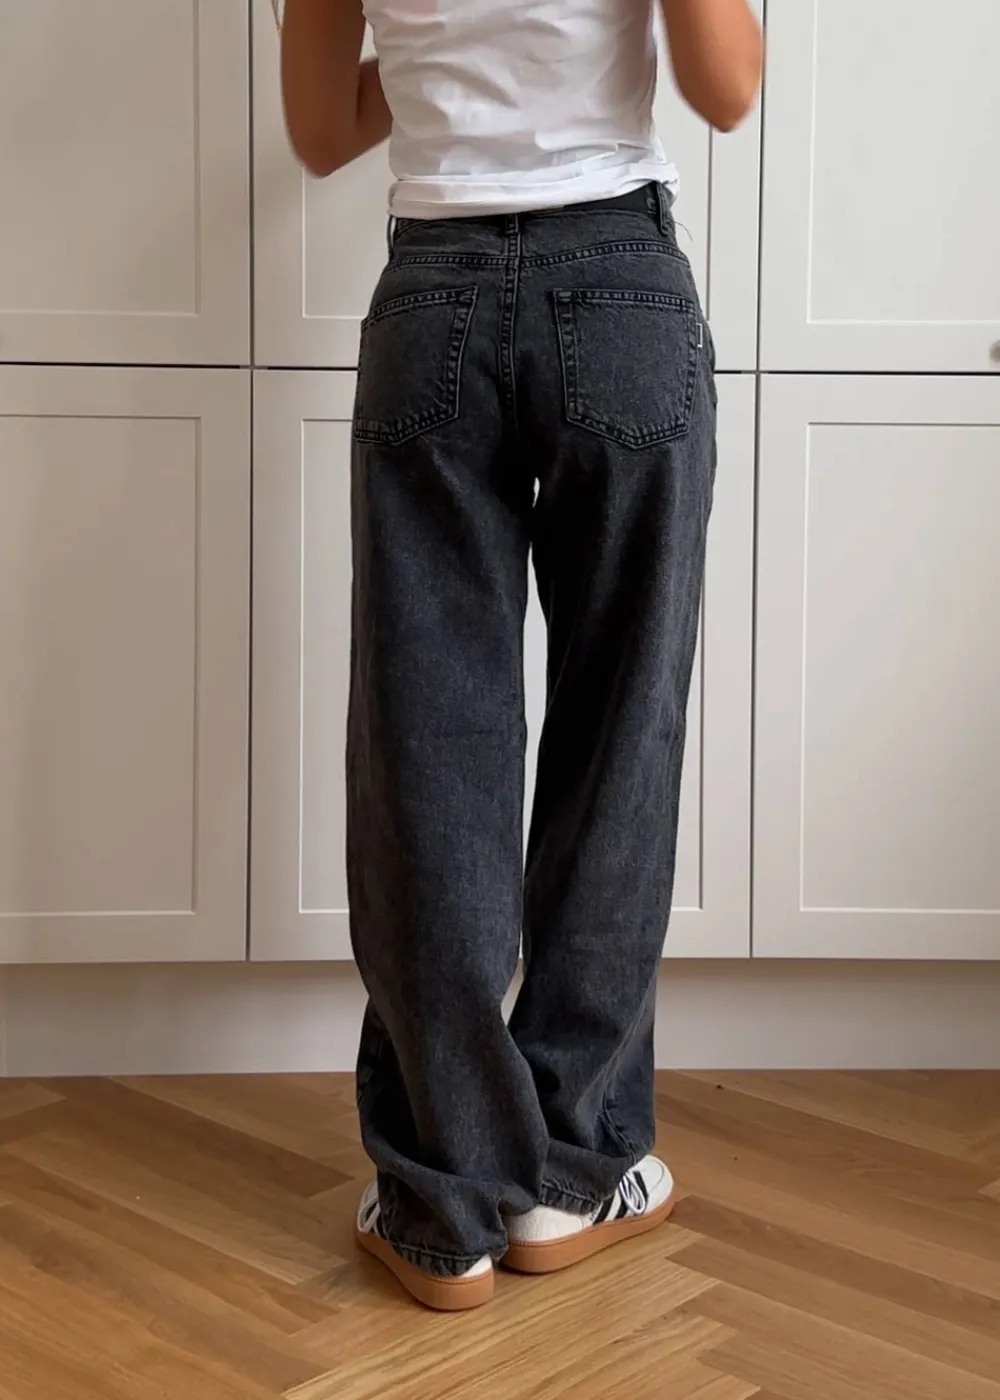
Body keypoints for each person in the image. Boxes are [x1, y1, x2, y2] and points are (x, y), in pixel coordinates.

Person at [280, 0, 762, 1311]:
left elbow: (321, 128)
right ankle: (571, 1170)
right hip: (620, 290)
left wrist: (451, 59)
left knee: (428, 753)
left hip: (431, 300)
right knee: (620, 734)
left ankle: (443, 1200)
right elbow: (725, 85)